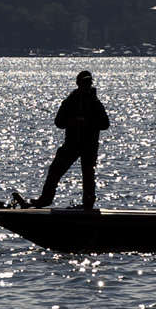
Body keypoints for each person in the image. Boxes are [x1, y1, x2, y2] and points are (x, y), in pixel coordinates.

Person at [23, 70, 111, 209]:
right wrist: (70, 122)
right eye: (84, 82)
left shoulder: (95, 103)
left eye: (89, 83)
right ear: (78, 83)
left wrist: (87, 123)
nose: (86, 85)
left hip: (89, 146)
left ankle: (88, 204)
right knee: (55, 170)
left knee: (88, 175)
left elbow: (105, 124)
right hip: (71, 145)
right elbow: (58, 122)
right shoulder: (70, 101)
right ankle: (45, 199)